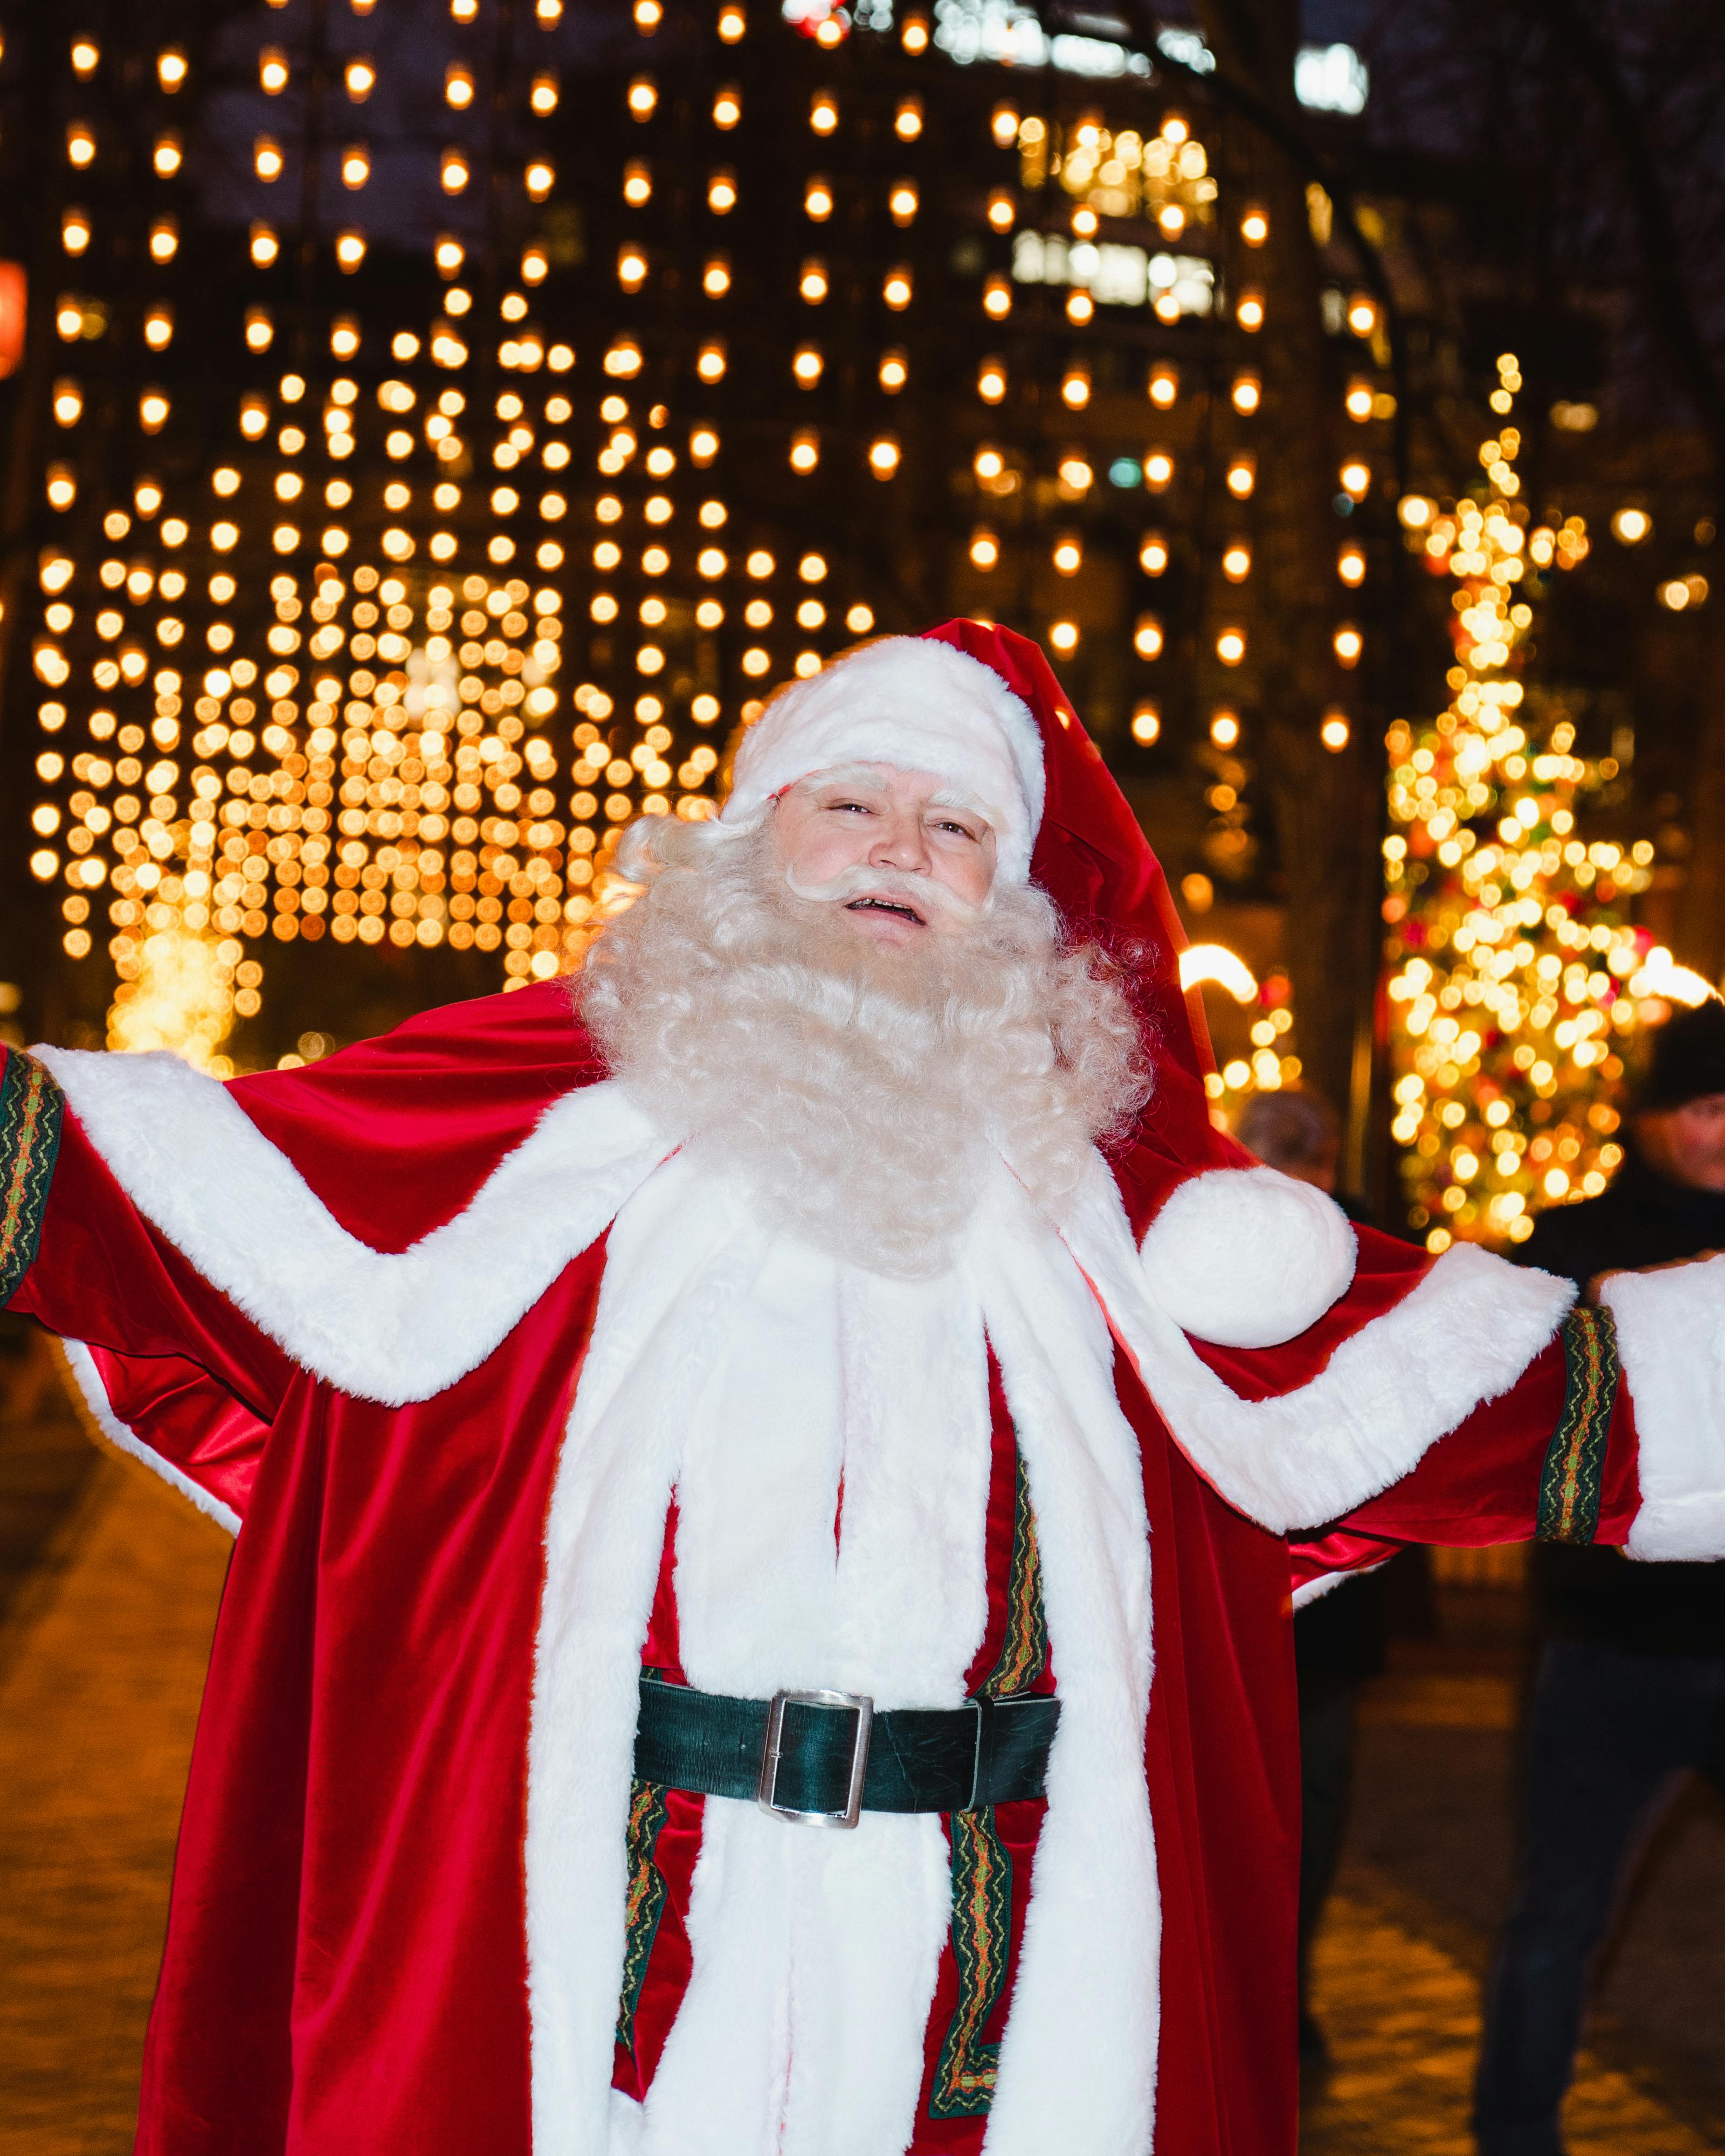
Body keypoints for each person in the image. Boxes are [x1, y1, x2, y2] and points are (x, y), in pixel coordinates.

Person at [2, 619, 1721, 2156]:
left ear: (1018, 906)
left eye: (957, 826)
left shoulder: (1125, 1231)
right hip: (617, 1952)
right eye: (852, 806)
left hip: (984, 1971)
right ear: (753, 850)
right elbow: (132, 1185)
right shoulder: (530, 1142)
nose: (900, 850)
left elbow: (1504, 1389)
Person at [1473, 998, 1725, 2156]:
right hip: (1608, 1643)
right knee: (1553, 1914)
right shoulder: (1574, 1242)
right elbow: (1512, 1400)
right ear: (1656, 1117)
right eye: (1708, 1107)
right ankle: (1514, 2135)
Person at [1235, 1089, 1386, 2073]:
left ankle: (1283, 1997)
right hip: (1245, 1609)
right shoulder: (1197, 1244)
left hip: (1321, 1619)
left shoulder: (1361, 1250)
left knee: (1309, 1812)